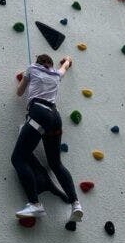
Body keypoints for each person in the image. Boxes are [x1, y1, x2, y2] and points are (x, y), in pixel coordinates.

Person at [11, 53, 83, 222]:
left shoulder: (32, 69)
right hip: (55, 117)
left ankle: (35, 204)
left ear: (38, 62)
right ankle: (76, 204)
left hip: (39, 113)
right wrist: (67, 60)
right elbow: (65, 66)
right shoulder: (56, 74)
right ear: (50, 65)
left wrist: (26, 77)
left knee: (18, 158)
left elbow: (20, 92)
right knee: (56, 163)